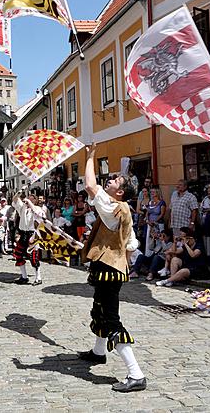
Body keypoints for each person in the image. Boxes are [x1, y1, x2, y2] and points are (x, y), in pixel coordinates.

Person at [78, 143, 146, 393]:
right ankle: (98, 352)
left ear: (121, 192)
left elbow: (89, 185)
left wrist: (90, 155)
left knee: (111, 318)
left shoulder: (113, 208)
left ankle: (136, 373)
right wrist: (122, 259)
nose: (111, 180)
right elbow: (132, 243)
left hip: (109, 269)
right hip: (111, 267)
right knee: (100, 309)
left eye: (116, 180)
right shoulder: (121, 208)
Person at [12, 190, 45, 285]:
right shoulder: (22, 208)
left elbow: (37, 214)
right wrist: (19, 192)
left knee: (33, 257)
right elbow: (14, 200)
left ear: (35, 201)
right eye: (28, 198)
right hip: (23, 234)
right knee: (18, 255)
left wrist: (30, 203)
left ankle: (38, 278)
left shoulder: (38, 208)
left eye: (32, 198)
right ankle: (24, 276)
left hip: (33, 235)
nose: (28, 200)